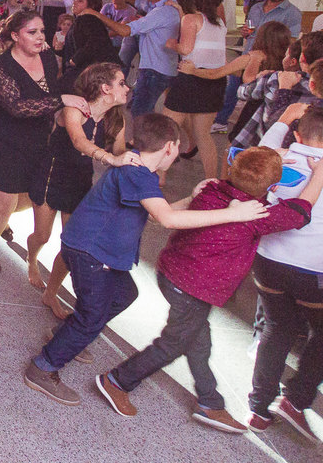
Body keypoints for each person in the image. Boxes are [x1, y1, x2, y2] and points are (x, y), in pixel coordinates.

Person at [24, 113, 269, 406]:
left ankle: (68, 335)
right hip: (91, 253)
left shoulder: (139, 169)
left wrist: (190, 199)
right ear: (169, 147)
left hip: (97, 251)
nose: (177, 153)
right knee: (92, 316)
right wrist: (234, 214)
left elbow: (156, 212)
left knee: (125, 293)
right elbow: (166, 219)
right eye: (178, 148)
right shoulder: (138, 173)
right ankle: (44, 367)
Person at [98, 147, 323, 433]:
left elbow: (244, 165)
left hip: (173, 273)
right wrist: (320, 174)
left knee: (198, 342)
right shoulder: (256, 214)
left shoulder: (212, 188)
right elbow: (298, 211)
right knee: (173, 343)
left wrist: (270, 159)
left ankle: (211, 403)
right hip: (194, 289)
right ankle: (117, 380)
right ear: (273, 187)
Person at [248, 105, 323, 440]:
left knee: (278, 327)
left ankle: (258, 409)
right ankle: (296, 400)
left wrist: (284, 119)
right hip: (315, 273)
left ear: (298, 135)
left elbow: (261, 147)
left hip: (266, 261)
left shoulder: (275, 155)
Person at [0, 10, 87, 272]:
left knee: (28, 197)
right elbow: (17, 107)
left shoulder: (47, 56)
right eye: (32, 32)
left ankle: (0, 220)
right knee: (6, 200)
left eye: (42, 31)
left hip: (38, 140)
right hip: (3, 141)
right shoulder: (2, 67)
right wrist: (62, 101)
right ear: (15, 36)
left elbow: (51, 89)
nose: (40, 37)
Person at [30, 63, 136, 317]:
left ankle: (51, 293)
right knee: (42, 235)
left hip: (80, 181)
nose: (128, 87)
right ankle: (32, 259)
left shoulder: (116, 119)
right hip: (51, 175)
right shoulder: (74, 108)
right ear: (105, 88)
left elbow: (121, 153)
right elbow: (79, 141)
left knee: (71, 248)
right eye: (122, 83)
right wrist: (109, 159)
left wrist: (140, 159)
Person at [212, 0, 302, 132]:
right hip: (249, 54)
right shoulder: (256, 7)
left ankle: (248, 129)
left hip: (271, 62)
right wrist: (245, 32)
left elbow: (293, 41)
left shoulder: (293, 13)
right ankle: (221, 121)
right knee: (231, 90)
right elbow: (249, 29)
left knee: (255, 99)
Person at [181, 21, 294, 148]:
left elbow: (216, 74)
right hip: (280, 109)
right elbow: (236, 73)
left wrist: (193, 71)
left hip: (254, 110)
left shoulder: (253, 57)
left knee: (234, 146)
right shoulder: (289, 60)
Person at [87, 0, 181, 117]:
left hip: (155, 70)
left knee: (140, 113)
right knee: (145, 110)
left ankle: (144, 140)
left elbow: (125, 31)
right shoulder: (159, 6)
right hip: (160, 67)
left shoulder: (162, 12)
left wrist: (96, 15)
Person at [161, 0, 229, 179]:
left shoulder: (191, 19)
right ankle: (210, 179)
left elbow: (186, 49)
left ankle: (160, 177)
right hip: (214, 80)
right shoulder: (220, 24)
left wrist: (171, 43)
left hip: (191, 79)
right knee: (203, 135)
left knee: (169, 128)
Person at [59, 0, 120, 89]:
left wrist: (76, 59)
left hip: (89, 69)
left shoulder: (88, 19)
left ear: (91, 6)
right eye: (75, 0)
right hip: (88, 68)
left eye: (80, 1)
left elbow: (95, 42)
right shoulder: (81, 20)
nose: (75, 2)